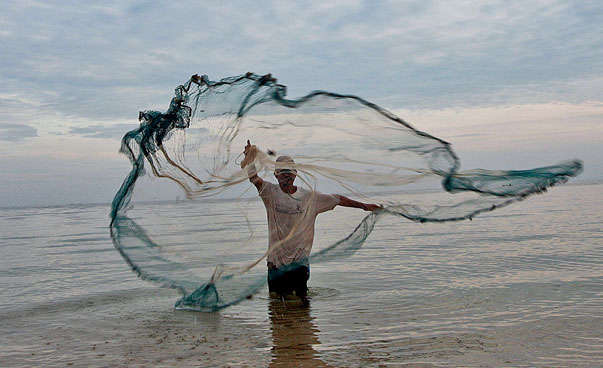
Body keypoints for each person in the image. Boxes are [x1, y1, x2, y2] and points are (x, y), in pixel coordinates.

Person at [241, 140, 380, 303]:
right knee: (276, 306)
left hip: (299, 264)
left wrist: (364, 206)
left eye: (289, 174)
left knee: (301, 305)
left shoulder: (309, 198)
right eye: (282, 174)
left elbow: (338, 199)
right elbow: (254, 178)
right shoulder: (269, 193)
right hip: (275, 265)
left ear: (295, 175)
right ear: (276, 175)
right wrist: (249, 158)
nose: (286, 177)